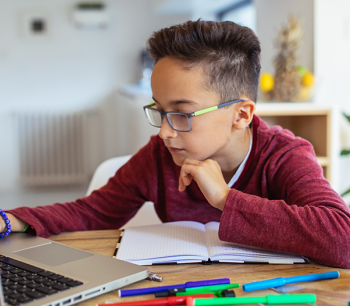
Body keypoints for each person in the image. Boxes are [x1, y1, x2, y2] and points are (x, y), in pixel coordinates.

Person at [1, 20, 350, 268]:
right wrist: (10, 219)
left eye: (182, 113)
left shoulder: (283, 156)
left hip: (272, 301)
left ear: (241, 115)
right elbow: (92, 212)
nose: (165, 133)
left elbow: (342, 238)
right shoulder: (159, 156)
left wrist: (225, 199)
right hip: (176, 296)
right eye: (159, 109)